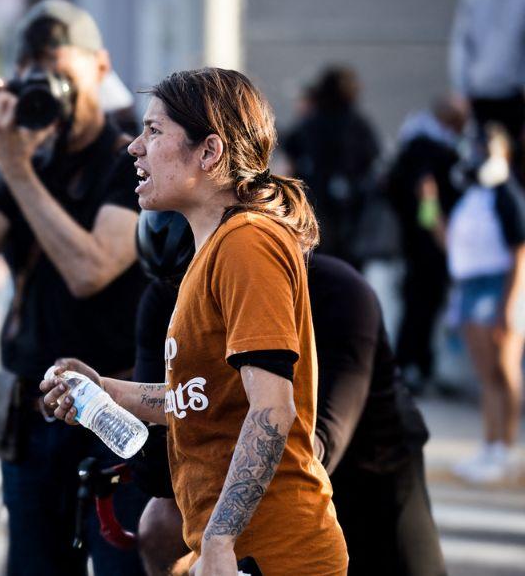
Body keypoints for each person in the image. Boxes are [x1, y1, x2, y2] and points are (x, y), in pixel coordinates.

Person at [43, 68, 348, 573]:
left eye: (154, 131)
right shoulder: (214, 249)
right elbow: (201, 400)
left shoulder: (248, 242)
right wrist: (104, 390)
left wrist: (220, 541)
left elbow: (271, 409)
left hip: (275, 555)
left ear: (209, 152)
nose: (134, 147)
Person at [0, 0, 148, 575]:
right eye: (34, 74)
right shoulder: (31, 160)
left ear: (100, 67)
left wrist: (17, 168)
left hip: (109, 414)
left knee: (119, 566)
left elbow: (91, 270)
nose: (49, 88)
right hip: (31, 416)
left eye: (60, 70)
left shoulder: (130, 161)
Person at [130, 211, 443, 575]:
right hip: (254, 464)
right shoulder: (163, 298)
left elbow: (316, 444)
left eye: (207, 272)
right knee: (160, 520)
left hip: (371, 463)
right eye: (180, 281)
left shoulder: (338, 291)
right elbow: (157, 456)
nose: (194, 294)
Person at [447, 122, 525, 484]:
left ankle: (504, 447)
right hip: (470, 285)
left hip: (498, 285)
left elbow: (520, 249)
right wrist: (428, 205)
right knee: (486, 373)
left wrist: (509, 303)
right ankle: (490, 443)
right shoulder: (471, 195)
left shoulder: (507, 194)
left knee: (503, 368)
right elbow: (451, 243)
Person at [385, 97, 466, 390]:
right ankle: (409, 365)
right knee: (419, 302)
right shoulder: (425, 146)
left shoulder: (431, 142)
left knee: (427, 303)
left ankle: (421, 364)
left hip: (426, 241)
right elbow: (426, 193)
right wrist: (438, 231)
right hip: (425, 245)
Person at [282, 64, 381, 268]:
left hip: (314, 204)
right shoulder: (358, 124)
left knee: (318, 265)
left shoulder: (312, 123)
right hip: (352, 208)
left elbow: (291, 151)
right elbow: (372, 156)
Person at [450, 0, 525, 172]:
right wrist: (461, 89)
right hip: (481, 93)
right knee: (483, 162)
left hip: (515, 93)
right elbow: (462, 44)